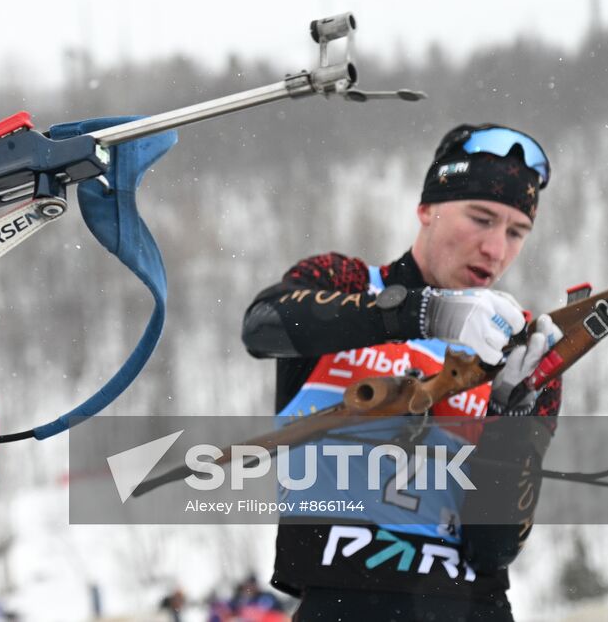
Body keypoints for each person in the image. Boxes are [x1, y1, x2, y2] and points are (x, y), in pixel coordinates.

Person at [241, 124, 566, 621]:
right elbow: (262, 326)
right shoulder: (347, 283)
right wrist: (423, 314)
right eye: (481, 219)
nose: (496, 249)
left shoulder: (520, 347)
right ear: (427, 210)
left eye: (516, 232)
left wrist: (512, 414)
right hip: (345, 601)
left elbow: (495, 547)